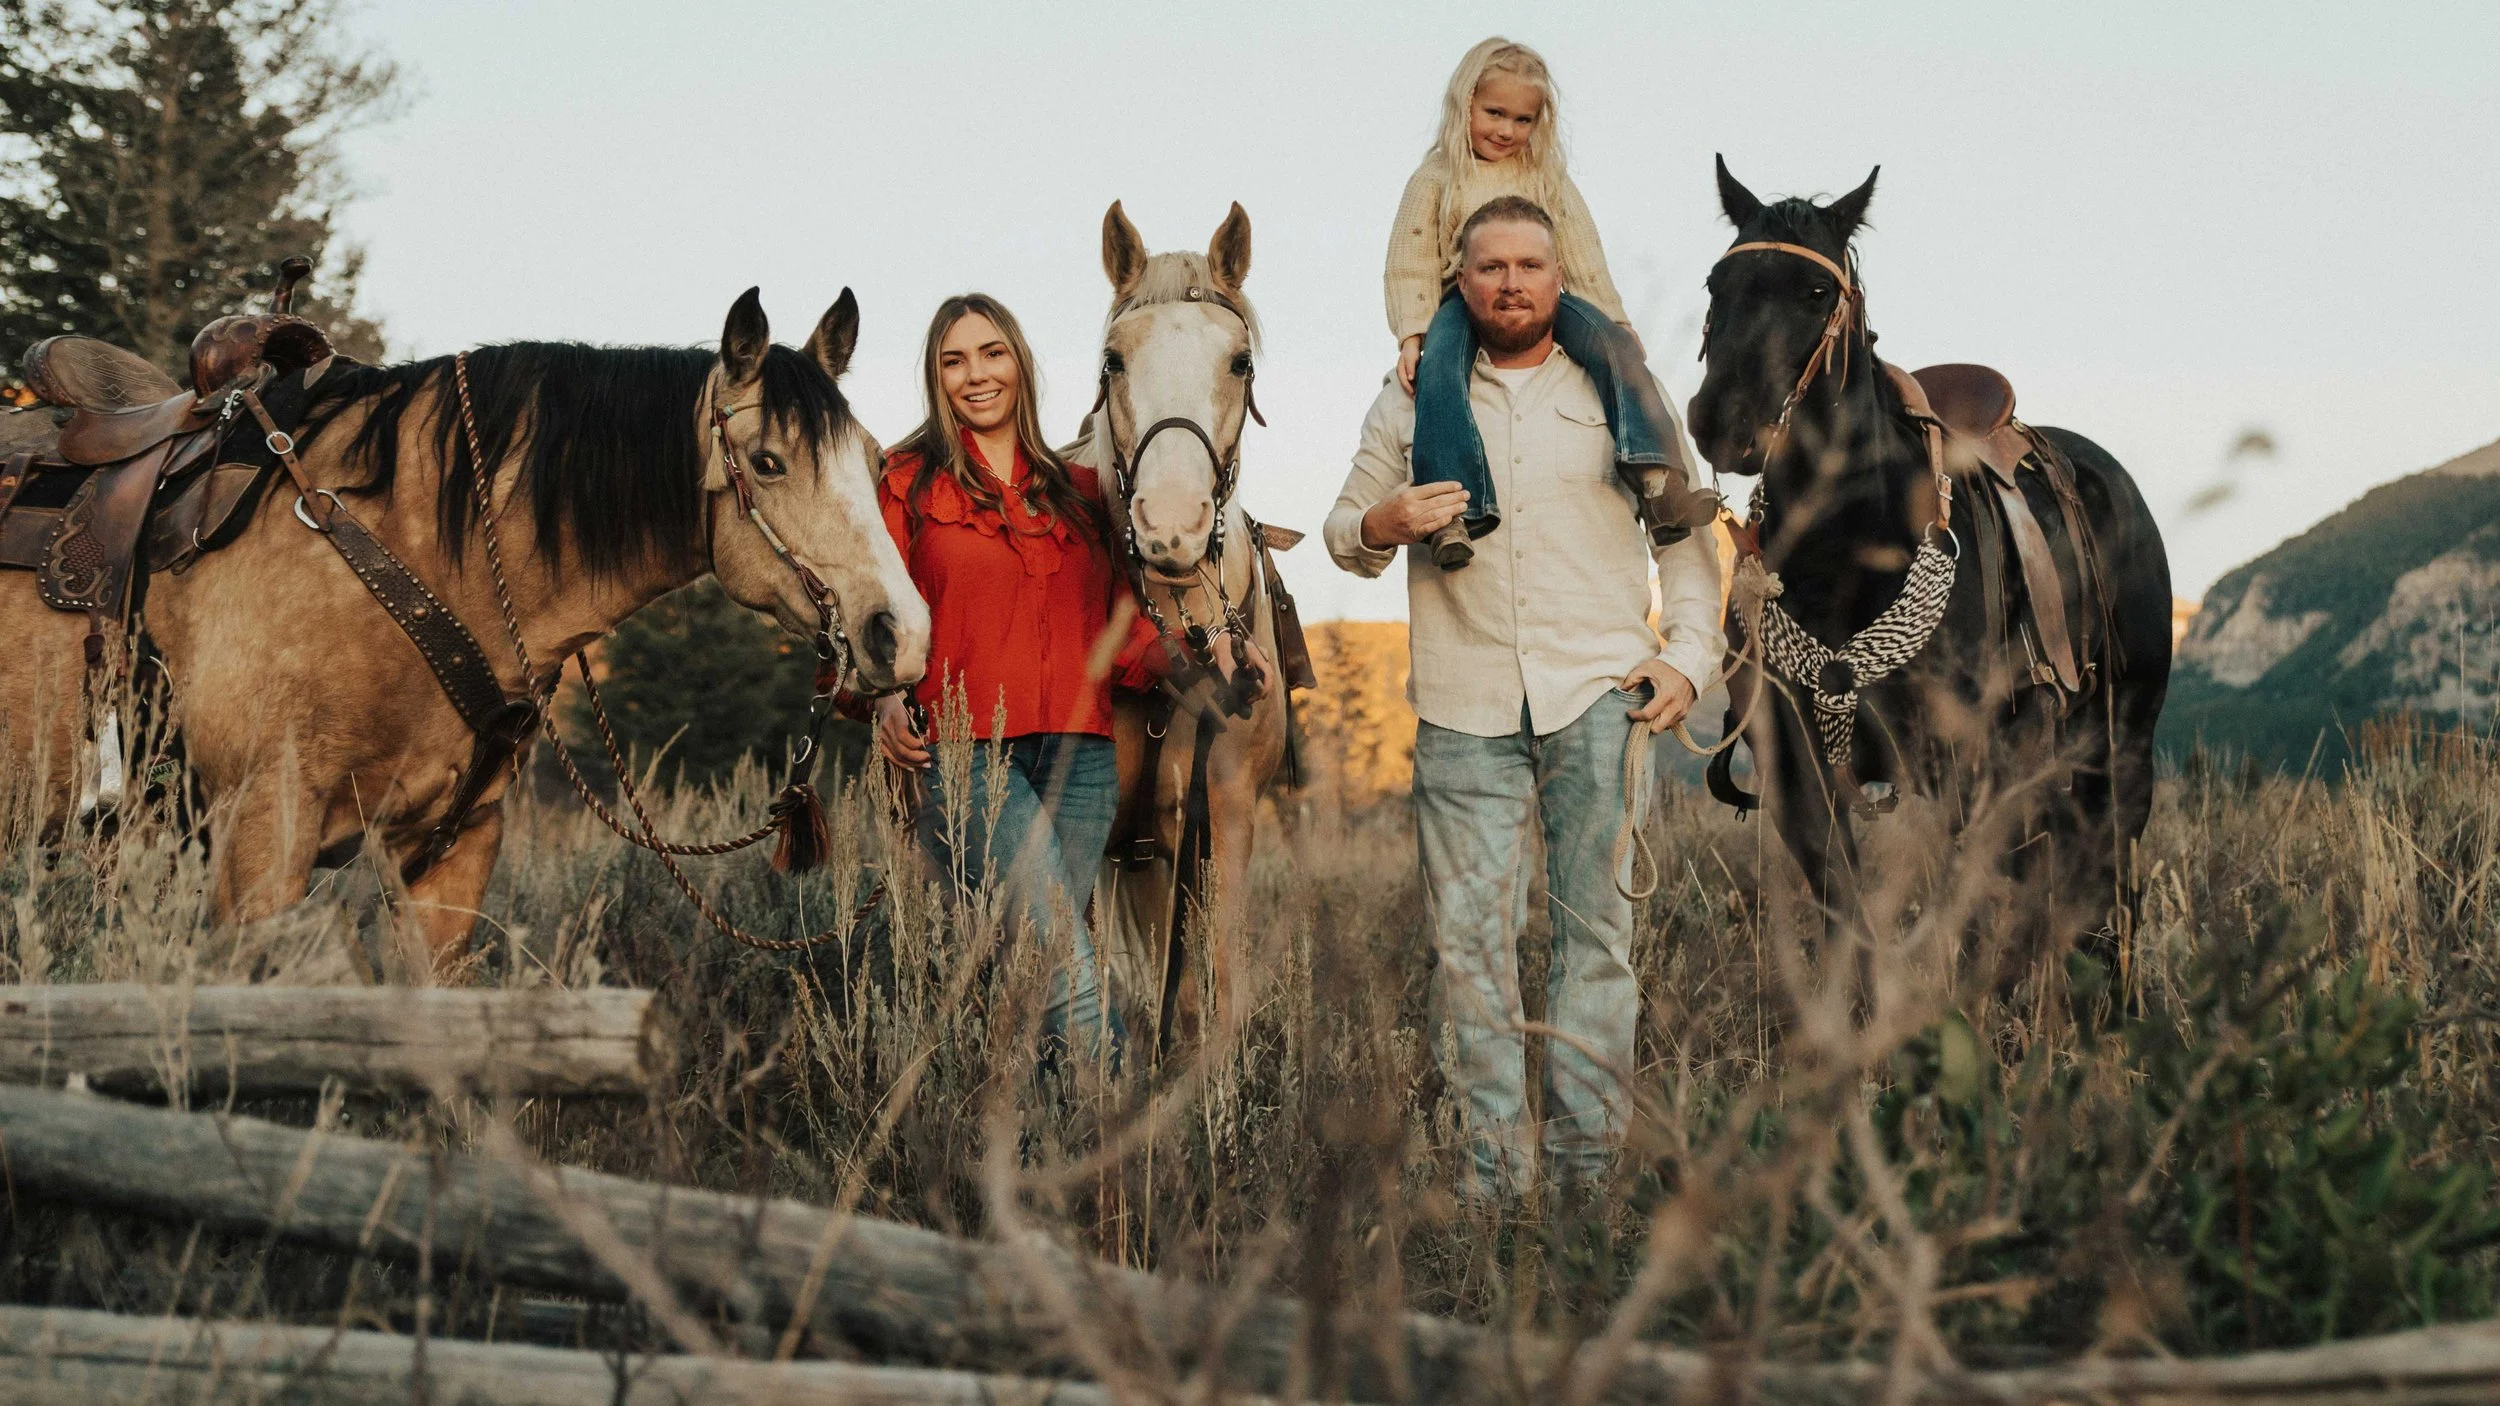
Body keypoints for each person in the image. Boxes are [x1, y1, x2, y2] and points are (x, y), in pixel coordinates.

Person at [1326, 197, 1725, 1201]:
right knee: (1469, 946)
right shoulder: (1411, 397)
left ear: (1559, 279)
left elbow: (1683, 537)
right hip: (1462, 704)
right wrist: (1385, 516)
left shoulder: (1621, 388)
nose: (1509, 282)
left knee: (1595, 938)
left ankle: (1587, 1174)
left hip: (1600, 691)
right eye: (1489, 266)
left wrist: (1687, 655)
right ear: (1459, 281)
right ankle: (1494, 1178)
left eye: (1529, 265)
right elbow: (1341, 531)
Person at [871, 293, 1164, 1067]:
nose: (976, 375)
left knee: (1035, 968)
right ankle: (1125, 1143)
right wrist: (878, 697)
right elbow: (864, 610)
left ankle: (1033, 1158)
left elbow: (1125, 632)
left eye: (992, 353)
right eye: (954, 360)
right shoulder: (903, 484)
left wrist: (1209, 656)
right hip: (969, 757)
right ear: (935, 378)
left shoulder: (1082, 491)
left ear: (1021, 362)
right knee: (1063, 963)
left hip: (1082, 759)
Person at [1384, 37, 1713, 571]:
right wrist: (1412, 333)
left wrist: (1617, 319)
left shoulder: (1547, 180)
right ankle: (1452, 513)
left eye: (1522, 119)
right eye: (1494, 113)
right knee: (1439, 371)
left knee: (1615, 350)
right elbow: (1410, 260)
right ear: (1464, 103)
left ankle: (1657, 482)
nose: (1506, 130)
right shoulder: (1437, 178)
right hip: (1463, 301)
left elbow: (1583, 255)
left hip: (1547, 301)